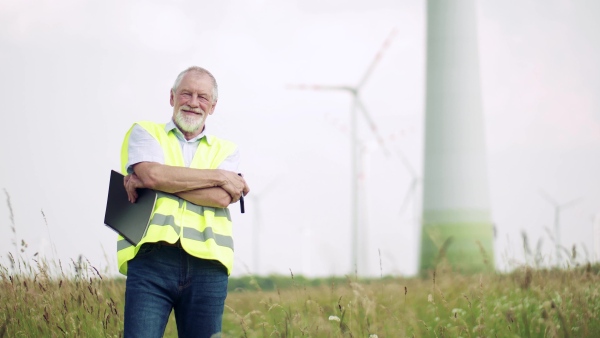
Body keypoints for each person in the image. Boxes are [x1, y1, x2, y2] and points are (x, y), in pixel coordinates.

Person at [119, 66, 250, 338]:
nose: (193, 102)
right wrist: (217, 176)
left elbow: (219, 197)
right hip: (151, 261)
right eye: (186, 94)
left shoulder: (227, 149)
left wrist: (157, 182)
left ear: (212, 106)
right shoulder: (145, 132)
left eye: (202, 97)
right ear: (172, 97)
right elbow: (152, 174)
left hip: (208, 267)